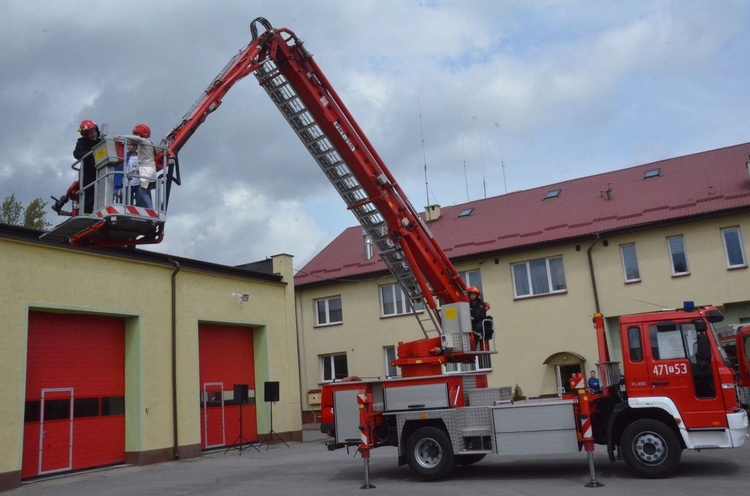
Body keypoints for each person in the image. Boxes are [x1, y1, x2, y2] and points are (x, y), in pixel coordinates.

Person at [114, 124, 155, 209]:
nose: (135, 136)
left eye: (136, 134)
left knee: (142, 192)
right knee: (141, 192)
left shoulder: (143, 141)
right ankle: (139, 207)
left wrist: (120, 137)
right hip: (145, 168)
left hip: (146, 168)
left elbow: (137, 139)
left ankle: (150, 210)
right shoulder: (145, 144)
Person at [73, 119, 103, 213]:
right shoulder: (82, 142)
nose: (93, 134)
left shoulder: (100, 141)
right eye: (90, 133)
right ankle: (87, 212)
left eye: (94, 132)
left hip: (101, 170)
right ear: (86, 135)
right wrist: (92, 153)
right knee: (89, 192)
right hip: (88, 172)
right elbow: (77, 154)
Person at [467, 286, 487, 350]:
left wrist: (472, 317)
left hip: (480, 321)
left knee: (477, 328)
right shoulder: (469, 304)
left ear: (476, 295)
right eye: (471, 295)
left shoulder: (480, 303)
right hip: (472, 321)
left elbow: (479, 313)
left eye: (473, 295)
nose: (472, 296)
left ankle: (474, 346)